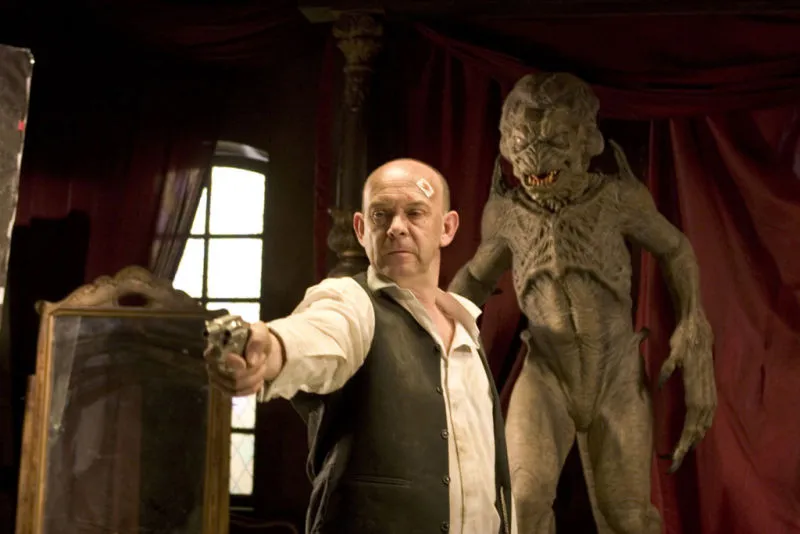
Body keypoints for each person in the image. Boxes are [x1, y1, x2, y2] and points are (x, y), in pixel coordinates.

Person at [205, 158, 516, 534]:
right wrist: (268, 348)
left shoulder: (466, 325)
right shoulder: (350, 301)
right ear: (361, 228)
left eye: (415, 213)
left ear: (447, 228)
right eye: (381, 215)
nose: (396, 227)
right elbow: (318, 333)